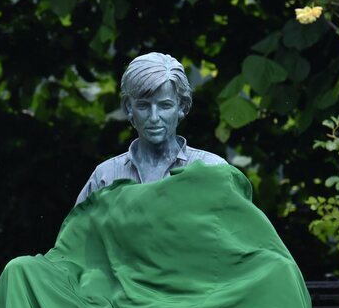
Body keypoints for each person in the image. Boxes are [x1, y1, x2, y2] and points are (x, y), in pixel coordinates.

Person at [75, 52, 227, 205]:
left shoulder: (213, 170)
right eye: (143, 105)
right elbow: (80, 228)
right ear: (129, 107)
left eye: (165, 106)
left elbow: (237, 226)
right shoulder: (105, 177)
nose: (154, 117)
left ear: (181, 106)